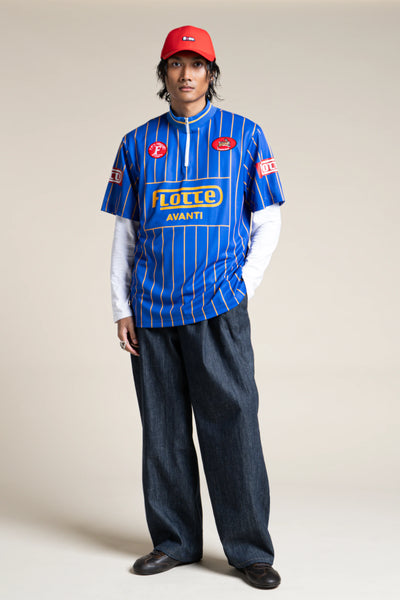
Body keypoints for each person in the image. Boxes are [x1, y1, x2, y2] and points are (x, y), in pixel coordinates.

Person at [101, 25, 285, 590]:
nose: (186, 74)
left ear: (211, 73)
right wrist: (121, 305)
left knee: (233, 424)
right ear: (164, 74)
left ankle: (249, 550)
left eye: (197, 64)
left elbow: (268, 220)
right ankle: (174, 541)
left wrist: (241, 287)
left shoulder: (245, 135)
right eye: (176, 64)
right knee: (163, 430)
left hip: (216, 307)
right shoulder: (137, 143)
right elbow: (127, 232)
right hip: (152, 311)